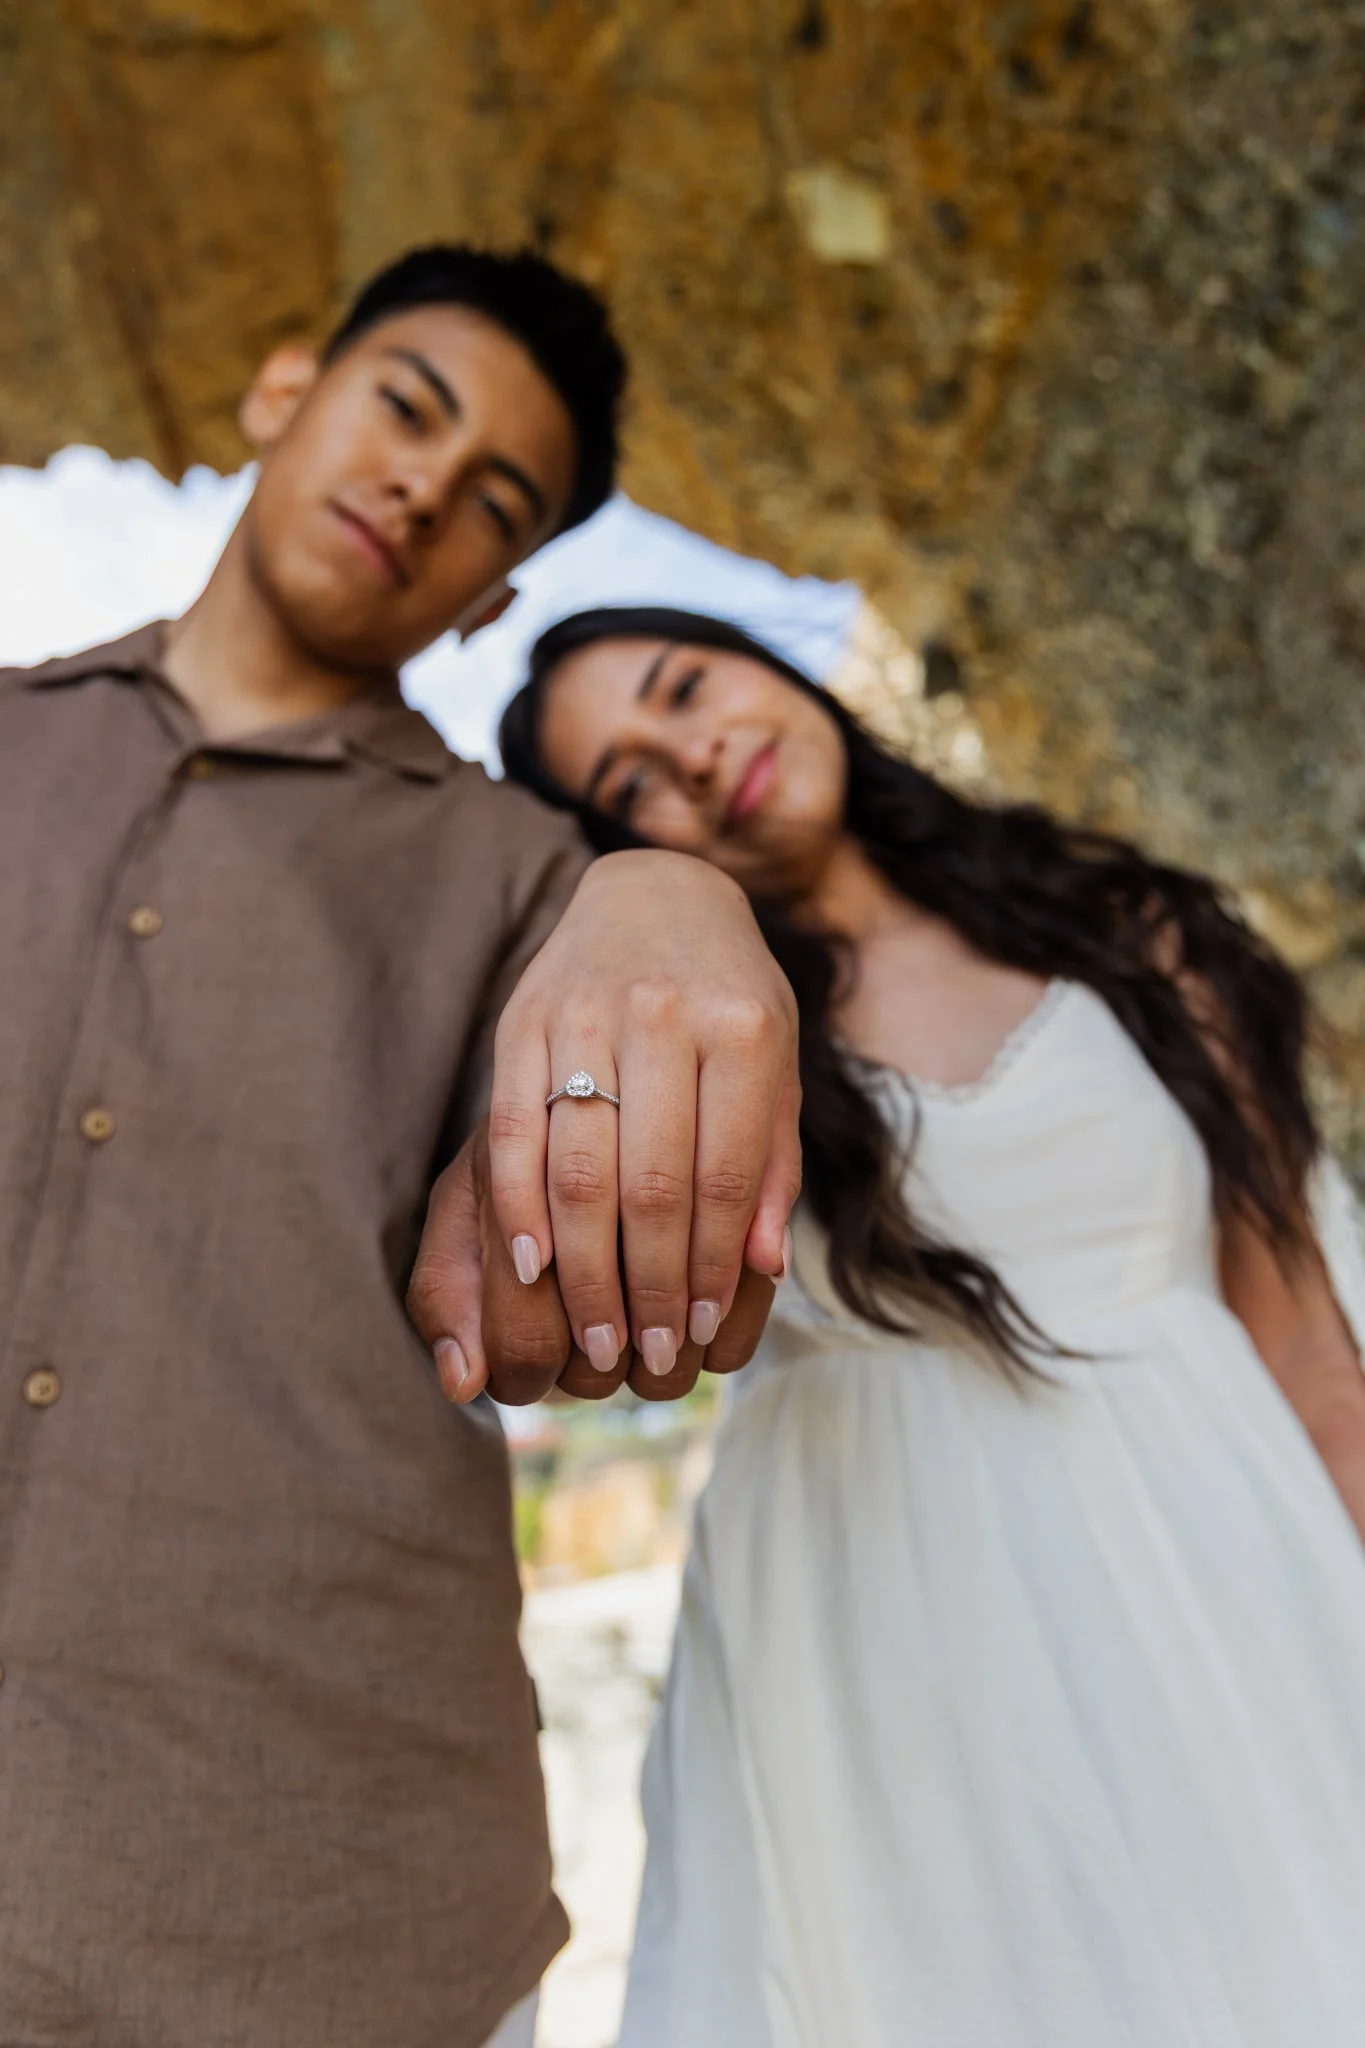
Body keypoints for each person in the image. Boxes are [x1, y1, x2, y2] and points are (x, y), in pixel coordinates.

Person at [0, 258, 802, 2048]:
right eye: (409, 407)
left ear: (491, 592)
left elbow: (603, 1283)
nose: (427, 487)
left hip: (317, 1909)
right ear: (287, 392)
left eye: (492, 501)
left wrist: (666, 897)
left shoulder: (531, 885)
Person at [499, 603, 1365, 2048]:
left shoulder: (1130, 939)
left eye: (687, 688)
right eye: (634, 786)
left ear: (768, 668)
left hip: (1227, 1570)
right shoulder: (719, 1054)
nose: (697, 758)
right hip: (905, 1653)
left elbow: (1302, 1335)